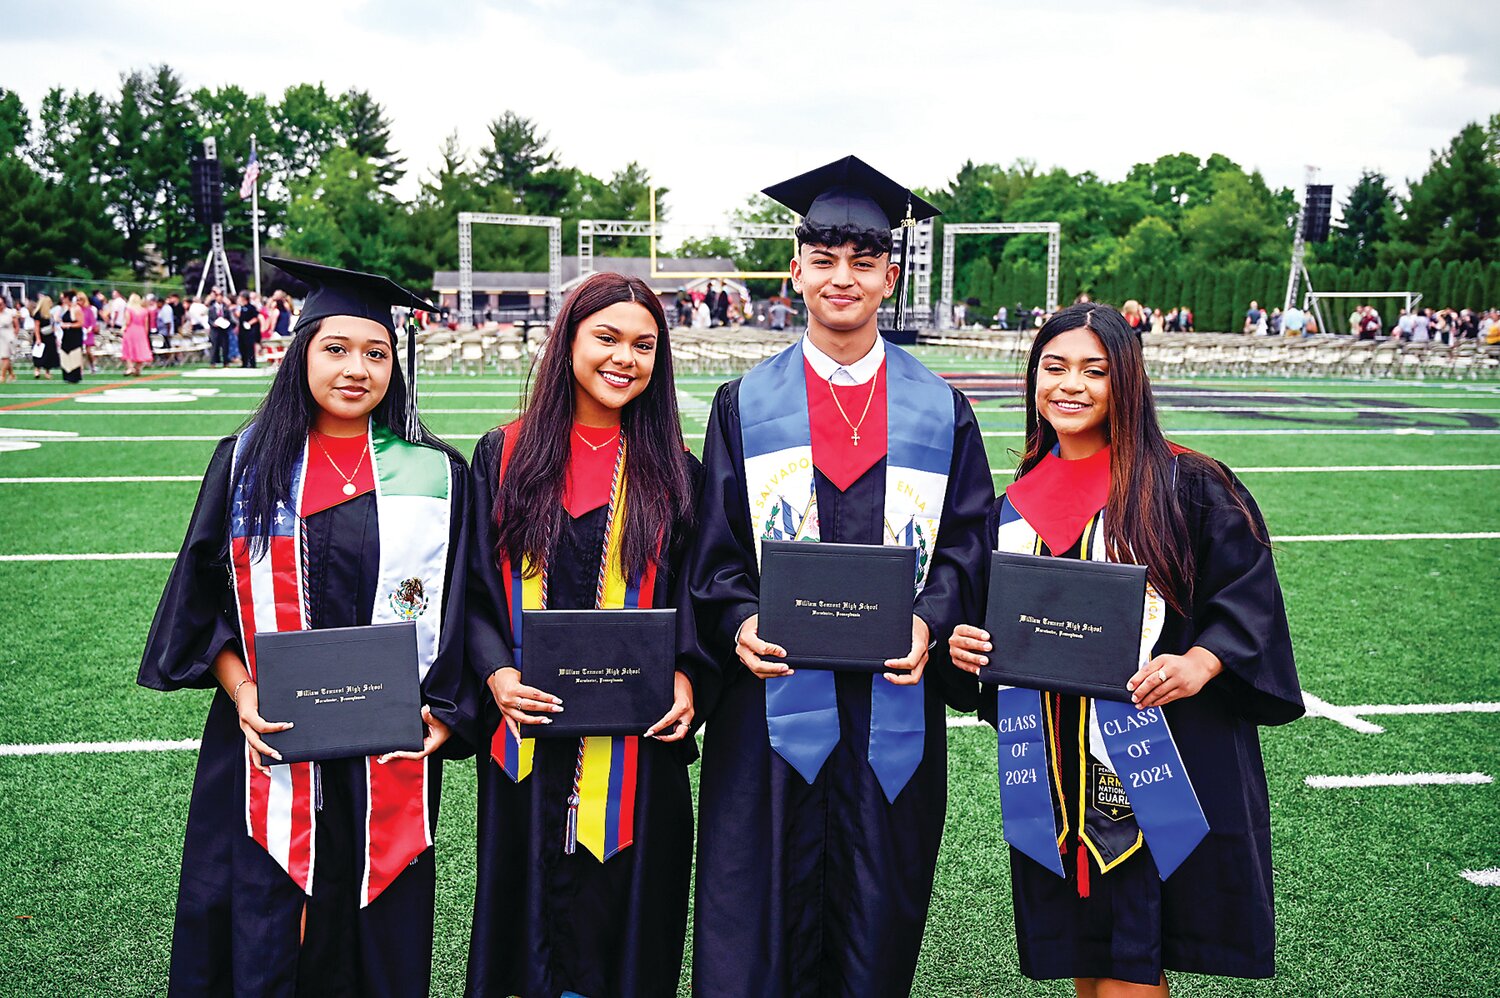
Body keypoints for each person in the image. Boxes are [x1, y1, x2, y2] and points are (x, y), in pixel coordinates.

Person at [685, 156, 994, 996]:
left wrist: (932, 619)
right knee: (757, 925)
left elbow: (970, 544)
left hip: (893, 707)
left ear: (890, 276)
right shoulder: (743, 404)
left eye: (862, 262)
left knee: (874, 921)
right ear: (796, 271)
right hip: (770, 713)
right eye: (824, 260)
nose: (842, 278)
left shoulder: (941, 408)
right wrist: (739, 621)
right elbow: (711, 553)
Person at [138, 257, 476, 996]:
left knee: (372, 934)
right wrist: (243, 692)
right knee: (262, 923)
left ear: (396, 364)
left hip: (387, 754)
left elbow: (467, 614)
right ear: (301, 354)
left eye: (376, 353)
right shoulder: (245, 464)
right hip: (266, 745)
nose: (356, 369)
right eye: (336, 349)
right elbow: (203, 610)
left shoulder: (439, 475)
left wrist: (448, 718)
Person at [948, 302, 1303, 995]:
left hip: (1159, 757)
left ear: (1127, 382)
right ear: (1032, 378)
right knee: (1091, 958)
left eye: (1094, 370)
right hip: (1054, 768)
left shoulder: (1185, 484)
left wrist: (1201, 660)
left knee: (1136, 959)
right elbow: (997, 634)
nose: (1070, 385)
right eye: (1053, 367)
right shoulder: (1014, 507)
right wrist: (969, 648)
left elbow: (1248, 592)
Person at [465, 272, 702, 997]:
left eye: (643, 345)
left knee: (626, 939)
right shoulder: (501, 457)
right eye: (606, 338)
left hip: (639, 757)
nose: (623, 358)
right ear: (568, 339)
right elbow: (470, 593)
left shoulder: (678, 476)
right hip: (524, 753)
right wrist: (496, 675)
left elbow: (701, 604)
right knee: (527, 931)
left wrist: (691, 678)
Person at [120, 293, 153, 376]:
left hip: (131, 330)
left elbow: (127, 322)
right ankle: (138, 368)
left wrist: (123, 328)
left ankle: (130, 367)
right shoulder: (144, 311)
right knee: (141, 350)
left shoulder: (129, 310)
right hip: (141, 331)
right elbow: (146, 324)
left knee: (129, 349)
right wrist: (145, 333)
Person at [56, 292, 85, 384]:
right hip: (66, 335)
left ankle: (74, 375)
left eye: (64, 298)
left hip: (75, 335)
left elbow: (80, 323)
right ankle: (66, 374)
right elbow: (57, 318)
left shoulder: (76, 309)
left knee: (74, 354)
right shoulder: (64, 309)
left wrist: (69, 325)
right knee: (65, 353)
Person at [30, 294, 57, 379]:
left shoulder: (50, 314)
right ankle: (37, 370)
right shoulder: (38, 314)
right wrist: (38, 338)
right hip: (41, 336)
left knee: (49, 354)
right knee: (39, 354)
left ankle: (47, 371)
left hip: (50, 336)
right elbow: (36, 327)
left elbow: (53, 325)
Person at [207, 289, 235, 367]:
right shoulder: (212, 308)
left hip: (224, 330)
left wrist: (226, 322)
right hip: (215, 330)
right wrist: (213, 324)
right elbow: (209, 320)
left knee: (225, 346)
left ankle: (226, 362)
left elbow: (229, 319)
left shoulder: (225, 308)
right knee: (214, 347)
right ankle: (213, 362)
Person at [237, 290, 262, 368]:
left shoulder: (251, 307)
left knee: (250, 348)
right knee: (242, 347)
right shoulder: (241, 307)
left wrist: (249, 323)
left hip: (249, 331)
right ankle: (244, 363)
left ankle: (252, 364)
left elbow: (256, 317)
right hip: (242, 331)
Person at [0, 297, 18, 383]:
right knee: (3, 357)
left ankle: (2, 376)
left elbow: (16, 326)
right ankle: (12, 374)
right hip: (0, 337)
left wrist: (15, 336)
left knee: (5, 357)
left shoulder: (10, 312)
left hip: (9, 336)